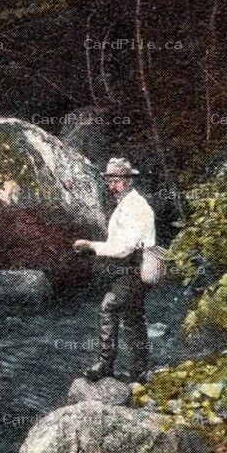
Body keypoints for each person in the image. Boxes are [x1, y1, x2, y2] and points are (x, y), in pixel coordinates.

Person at [73, 157, 155, 384]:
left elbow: (124, 247)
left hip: (136, 268)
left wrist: (91, 246)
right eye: (108, 181)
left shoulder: (136, 207)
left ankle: (105, 365)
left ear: (128, 181)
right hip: (128, 267)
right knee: (132, 318)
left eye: (115, 181)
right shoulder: (126, 204)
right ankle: (139, 372)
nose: (110, 186)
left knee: (108, 306)